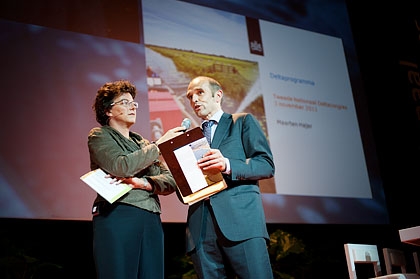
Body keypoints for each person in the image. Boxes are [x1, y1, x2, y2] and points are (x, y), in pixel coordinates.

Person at [88, 79, 184, 279]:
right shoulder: (100, 136)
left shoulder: (142, 142)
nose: (132, 106)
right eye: (124, 102)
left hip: (150, 217)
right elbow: (121, 166)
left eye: (133, 102)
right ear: (107, 111)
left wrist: (145, 183)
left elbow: (170, 179)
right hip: (118, 213)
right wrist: (159, 146)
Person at [185, 76, 275, 278]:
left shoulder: (241, 122)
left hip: (241, 222)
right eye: (190, 96)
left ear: (218, 95)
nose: (194, 100)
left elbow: (266, 165)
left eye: (200, 93)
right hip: (201, 228)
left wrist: (227, 164)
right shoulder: (190, 139)